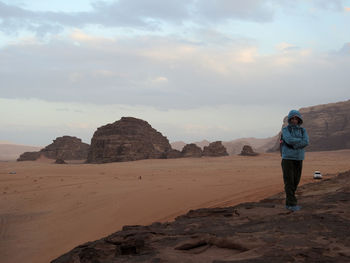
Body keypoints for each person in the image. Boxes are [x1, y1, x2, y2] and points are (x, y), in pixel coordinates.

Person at [281, 110, 309, 211]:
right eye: (292, 118)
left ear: (299, 119)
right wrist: (299, 142)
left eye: (296, 118)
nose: (294, 120)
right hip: (288, 158)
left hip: (299, 158)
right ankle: (291, 204)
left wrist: (295, 144)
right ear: (289, 119)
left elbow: (306, 141)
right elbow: (288, 140)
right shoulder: (285, 129)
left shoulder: (303, 130)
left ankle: (291, 202)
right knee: (289, 182)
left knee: (296, 181)